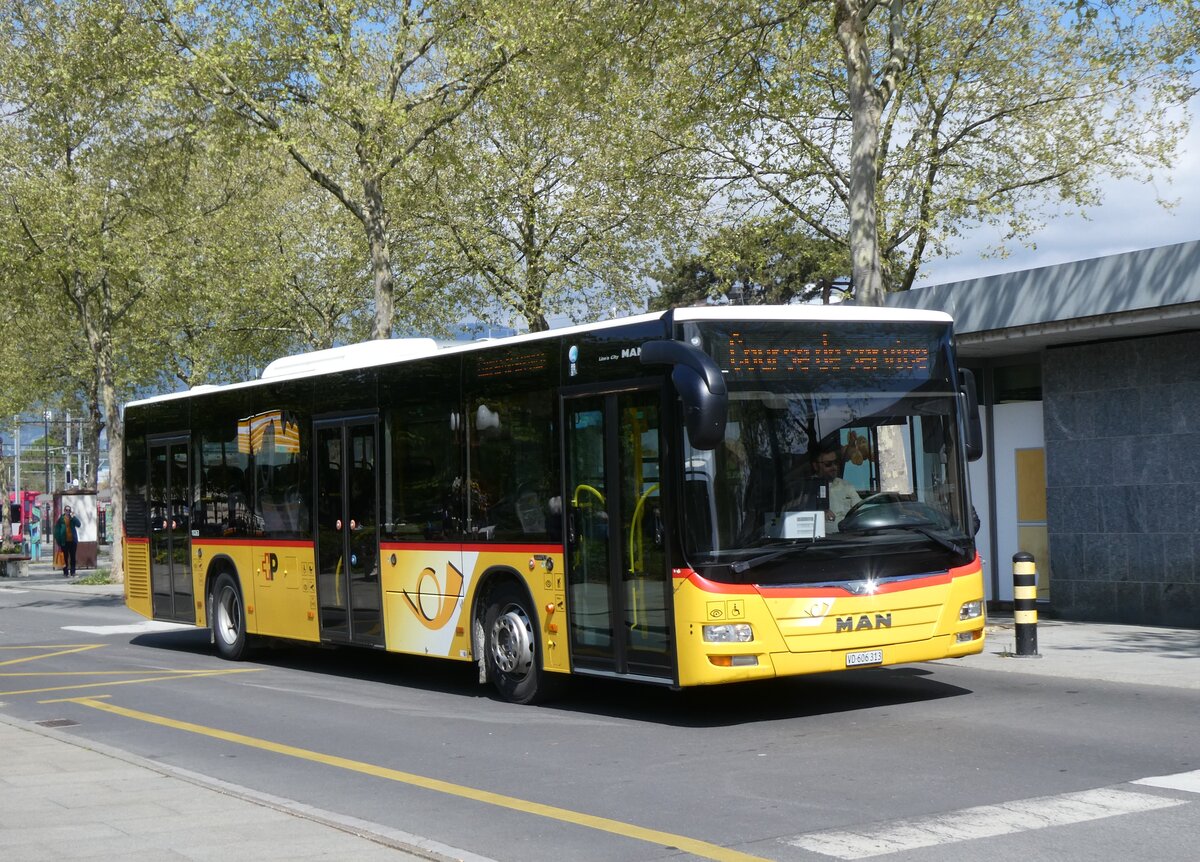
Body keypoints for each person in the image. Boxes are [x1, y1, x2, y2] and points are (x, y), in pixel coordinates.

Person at [810, 443, 861, 533]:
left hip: (849, 537)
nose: (834, 467)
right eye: (828, 464)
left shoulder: (846, 486)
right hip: (822, 539)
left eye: (835, 463)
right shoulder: (807, 489)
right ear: (816, 466)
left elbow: (861, 510)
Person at [54, 505, 81, 578]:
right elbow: (57, 531)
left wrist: (74, 517)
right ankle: (65, 572)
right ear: (64, 511)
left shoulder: (72, 518)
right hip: (64, 542)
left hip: (73, 541)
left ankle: (73, 572)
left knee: (73, 557)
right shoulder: (61, 519)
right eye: (66, 510)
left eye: (69, 510)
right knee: (65, 558)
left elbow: (79, 524)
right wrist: (58, 541)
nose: (68, 511)